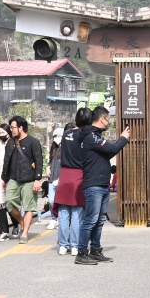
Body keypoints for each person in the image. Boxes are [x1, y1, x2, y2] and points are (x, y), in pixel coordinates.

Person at [76, 104, 131, 266]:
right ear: (102, 119)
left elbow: (110, 151)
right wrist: (123, 138)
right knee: (91, 219)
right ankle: (81, 252)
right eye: (108, 119)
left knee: (99, 219)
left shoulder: (95, 136)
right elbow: (112, 148)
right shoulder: (91, 137)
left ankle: (95, 249)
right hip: (93, 184)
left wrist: (119, 142)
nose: (109, 123)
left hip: (101, 183)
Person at [1, 114, 46, 241]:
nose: (11, 130)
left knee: (28, 207)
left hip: (29, 179)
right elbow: (6, 161)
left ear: (20, 128)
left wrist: (38, 179)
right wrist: (4, 179)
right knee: (9, 203)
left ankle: (25, 233)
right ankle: (22, 222)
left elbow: (39, 161)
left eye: (12, 127)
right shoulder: (10, 143)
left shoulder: (33, 142)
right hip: (14, 179)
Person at [55, 108, 91, 256]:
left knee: (64, 213)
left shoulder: (66, 134)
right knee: (77, 214)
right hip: (79, 175)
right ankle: (75, 245)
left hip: (65, 175)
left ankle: (63, 245)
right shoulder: (85, 135)